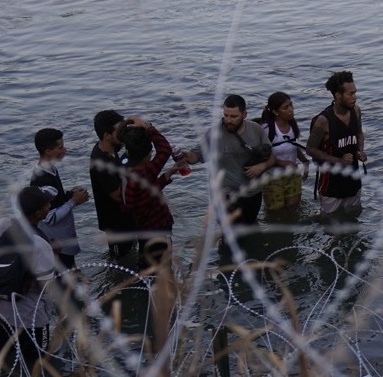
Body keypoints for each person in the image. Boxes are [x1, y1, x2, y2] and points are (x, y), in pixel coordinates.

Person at [0, 186, 58, 377]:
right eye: (46, 204)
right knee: (39, 363)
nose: (49, 206)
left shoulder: (1, 225)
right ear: (39, 212)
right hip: (31, 318)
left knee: (4, 362)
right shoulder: (41, 244)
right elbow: (45, 288)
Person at [177, 95, 274, 226]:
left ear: (244, 114)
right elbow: (197, 156)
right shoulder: (214, 133)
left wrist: (262, 167)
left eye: (234, 117)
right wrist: (187, 156)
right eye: (226, 115)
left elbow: (272, 157)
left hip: (253, 193)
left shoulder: (256, 129)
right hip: (225, 194)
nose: (228, 120)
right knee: (229, 234)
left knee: (249, 227)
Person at [118, 118, 177, 270]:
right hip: (158, 229)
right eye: (150, 152)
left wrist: (164, 178)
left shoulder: (125, 168)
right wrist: (148, 127)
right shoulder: (144, 172)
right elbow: (164, 149)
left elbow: (143, 195)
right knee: (163, 269)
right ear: (145, 156)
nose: (152, 155)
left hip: (142, 229)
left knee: (147, 265)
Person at [306, 71, 366, 217]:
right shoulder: (323, 121)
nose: (354, 97)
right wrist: (339, 160)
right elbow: (310, 149)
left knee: (354, 218)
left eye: (355, 93)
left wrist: (360, 150)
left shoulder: (356, 111)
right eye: (350, 94)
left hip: (353, 180)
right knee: (330, 224)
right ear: (338, 95)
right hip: (331, 185)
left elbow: (359, 134)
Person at [30, 128, 89, 269]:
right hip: (58, 243)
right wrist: (73, 201)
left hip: (64, 239)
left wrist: (70, 195)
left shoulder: (51, 169)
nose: (64, 150)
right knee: (66, 276)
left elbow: (56, 199)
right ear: (48, 151)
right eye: (60, 147)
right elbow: (49, 217)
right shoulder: (41, 179)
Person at [90, 110, 136, 259]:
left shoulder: (113, 148)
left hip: (126, 217)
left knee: (131, 252)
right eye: (119, 131)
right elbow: (117, 196)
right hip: (115, 223)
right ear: (107, 135)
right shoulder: (100, 163)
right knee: (120, 261)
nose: (123, 133)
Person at [257, 91, 309, 217]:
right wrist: (281, 163)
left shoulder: (292, 124)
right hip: (272, 179)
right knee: (276, 214)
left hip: (293, 176)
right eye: (285, 107)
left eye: (291, 105)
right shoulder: (266, 129)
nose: (291, 110)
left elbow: (293, 146)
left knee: (294, 210)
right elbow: (260, 155)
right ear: (275, 111)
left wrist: (305, 161)